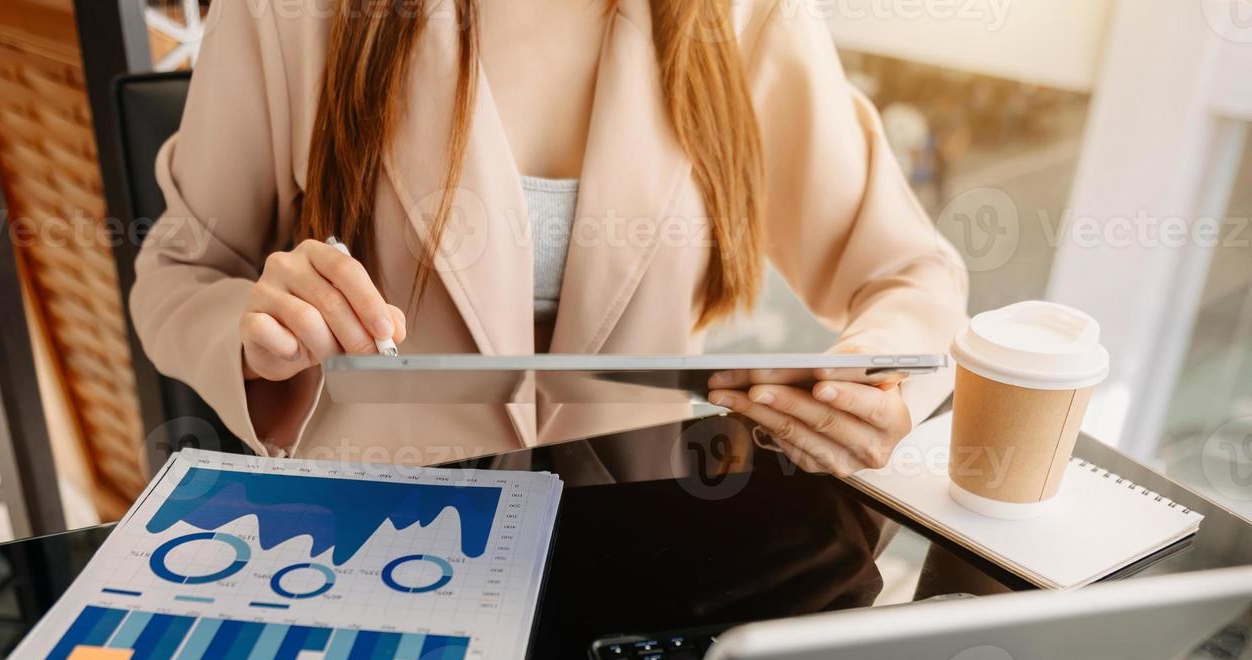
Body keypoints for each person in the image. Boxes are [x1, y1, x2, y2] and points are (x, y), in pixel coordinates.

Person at [131, 0, 967, 476]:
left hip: (642, 547)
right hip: (366, 541)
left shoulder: (741, 17)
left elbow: (909, 274)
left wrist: (878, 385)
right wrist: (255, 330)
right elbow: (179, 278)